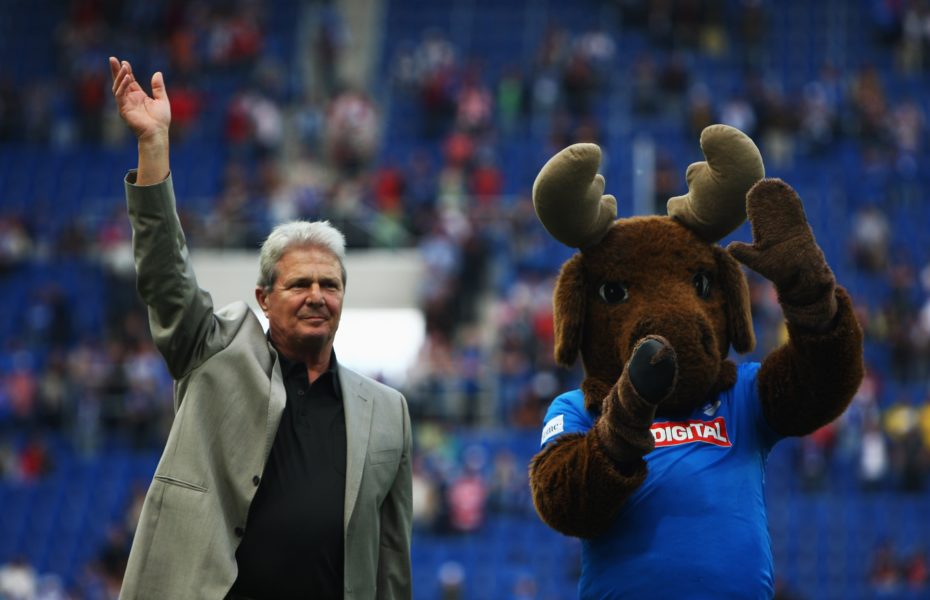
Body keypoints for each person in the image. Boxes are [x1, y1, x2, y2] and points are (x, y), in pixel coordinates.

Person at [108, 56, 412, 599]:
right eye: (299, 285)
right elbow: (165, 275)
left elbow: (391, 559)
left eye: (330, 284)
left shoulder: (389, 413)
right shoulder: (213, 349)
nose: (317, 295)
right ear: (263, 298)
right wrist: (154, 147)